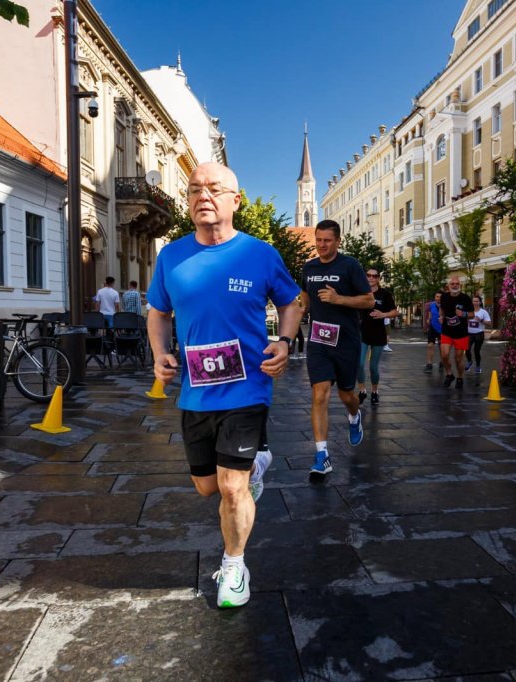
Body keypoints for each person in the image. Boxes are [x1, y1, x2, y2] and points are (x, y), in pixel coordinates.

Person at [147, 162, 301, 609]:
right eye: (195, 189)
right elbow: (158, 313)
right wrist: (160, 354)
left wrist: (285, 342)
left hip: (248, 386)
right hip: (196, 391)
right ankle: (256, 464)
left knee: (232, 487)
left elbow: (291, 302)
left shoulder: (259, 254)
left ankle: (234, 565)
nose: (203, 196)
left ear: (236, 200)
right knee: (207, 487)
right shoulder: (171, 256)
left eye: (215, 189)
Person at [300, 219, 375, 477]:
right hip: (319, 339)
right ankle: (322, 455)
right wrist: (299, 310)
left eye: (327, 240)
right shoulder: (308, 267)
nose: (321, 245)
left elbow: (369, 300)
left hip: (346, 340)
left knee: (346, 396)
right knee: (319, 394)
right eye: (318, 240)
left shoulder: (349, 265)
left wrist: (338, 299)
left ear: (338, 241)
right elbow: (305, 298)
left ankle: (355, 416)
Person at [356, 268, 397, 405]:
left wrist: (383, 315)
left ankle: (375, 391)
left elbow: (395, 312)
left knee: (373, 367)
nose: (371, 278)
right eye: (368, 275)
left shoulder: (385, 294)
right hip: (362, 333)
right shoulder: (360, 292)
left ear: (378, 278)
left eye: (374, 276)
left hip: (378, 334)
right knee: (359, 364)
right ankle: (362, 390)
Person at [439, 276, 473, 389]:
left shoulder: (466, 298)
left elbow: (472, 314)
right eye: (452, 284)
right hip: (447, 331)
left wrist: (463, 314)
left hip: (461, 333)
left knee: (458, 358)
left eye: (456, 284)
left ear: (460, 286)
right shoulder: (444, 297)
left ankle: (460, 377)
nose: (454, 285)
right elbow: (442, 308)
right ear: (449, 286)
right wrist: (441, 316)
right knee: (444, 355)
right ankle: (449, 374)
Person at [466, 295, 491, 373]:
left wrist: (481, 320)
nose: (475, 303)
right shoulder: (469, 311)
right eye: (473, 301)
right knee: (466, 349)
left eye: (477, 301)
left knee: (476, 351)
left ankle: (478, 366)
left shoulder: (483, 312)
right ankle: (470, 361)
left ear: (480, 302)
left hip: (479, 334)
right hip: (469, 333)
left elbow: (489, 323)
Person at [423, 291, 442, 372]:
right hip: (432, 327)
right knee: (430, 346)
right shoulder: (431, 305)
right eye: (437, 296)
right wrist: (428, 321)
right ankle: (429, 364)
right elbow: (430, 314)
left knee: (442, 347)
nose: (439, 298)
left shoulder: (445, 305)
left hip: (442, 328)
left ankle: (442, 362)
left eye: (440, 297)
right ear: (435, 297)